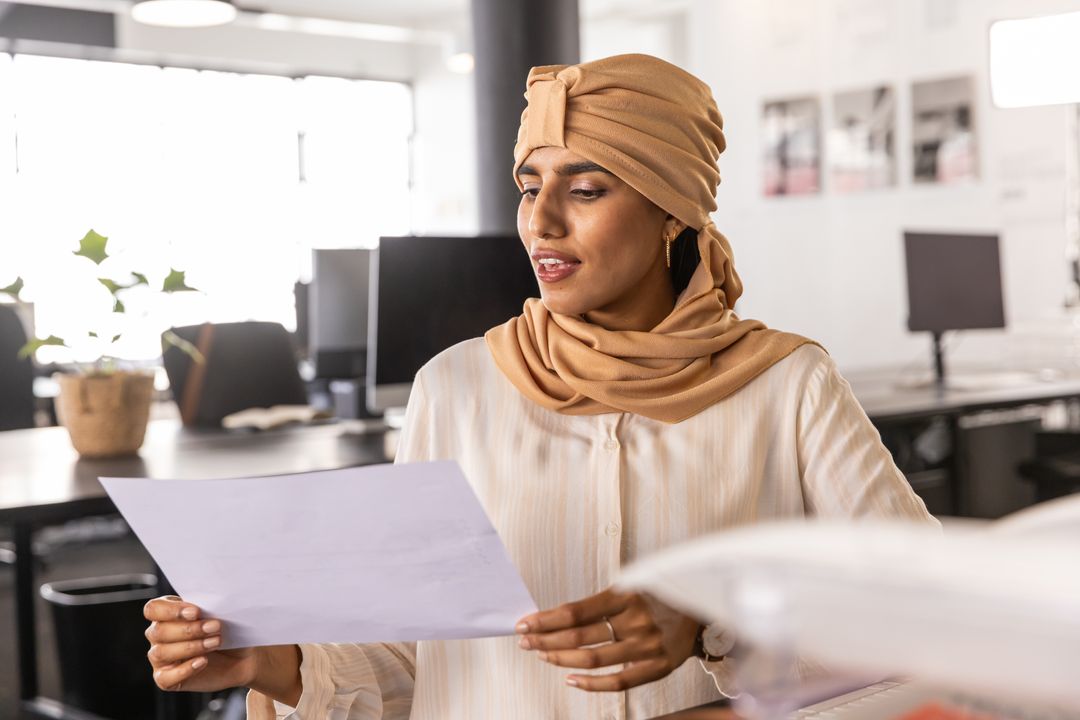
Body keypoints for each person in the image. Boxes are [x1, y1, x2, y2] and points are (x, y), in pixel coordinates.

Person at [143, 54, 935, 719]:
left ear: (673, 215)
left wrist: (713, 622)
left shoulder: (788, 385)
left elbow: (931, 625)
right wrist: (274, 664)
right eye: (530, 187)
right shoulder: (455, 387)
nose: (541, 223)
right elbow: (415, 661)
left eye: (586, 191)